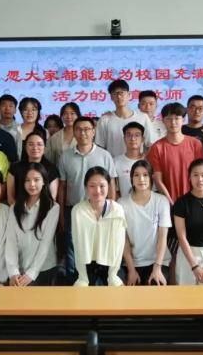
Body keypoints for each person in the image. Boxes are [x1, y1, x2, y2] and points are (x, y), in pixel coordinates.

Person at [58, 116, 117, 284]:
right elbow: (62, 187)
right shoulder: (65, 157)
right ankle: (75, 283)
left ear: (93, 131)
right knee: (73, 249)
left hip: (100, 211)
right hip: (73, 210)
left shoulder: (105, 155)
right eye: (78, 129)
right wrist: (61, 214)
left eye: (87, 129)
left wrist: (112, 209)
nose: (83, 133)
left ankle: (98, 285)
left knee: (99, 248)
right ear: (73, 132)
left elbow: (111, 184)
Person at [6, 163, 59, 286]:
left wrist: (31, 273)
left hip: (43, 268)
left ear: (44, 181)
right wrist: (13, 272)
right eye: (27, 180)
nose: (32, 184)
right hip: (20, 269)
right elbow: (11, 241)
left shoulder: (53, 208)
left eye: (36, 180)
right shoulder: (14, 208)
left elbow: (45, 243)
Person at [118, 160, 171, 285]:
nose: (141, 179)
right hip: (132, 263)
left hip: (158, 262)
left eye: (145, 175)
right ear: (131, 179)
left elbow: (162, 237)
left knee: (155, 288)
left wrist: (157, 268)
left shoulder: (161, 201)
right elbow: (124, 239)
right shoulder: (121, 203)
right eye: (136, 175)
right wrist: (131, 270)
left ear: (151, 177)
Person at [72, 166, 126, 286]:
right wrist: (83, 276)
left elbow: (119, 245)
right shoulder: (78, 210)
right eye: (92, 186)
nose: (97, 191)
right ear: (86, 187)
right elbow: (77, 244)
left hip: (112, 264)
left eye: (102, 186)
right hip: (86, 266)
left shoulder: (117, 209)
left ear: (108, 186)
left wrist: (113, 275)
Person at [146, 102, 203, 207]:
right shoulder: (156, 148)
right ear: (163, 121)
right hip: (168, 203)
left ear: (183, 120)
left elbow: (202, 174)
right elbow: (158, 180)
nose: (173, 122)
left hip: (195, 201)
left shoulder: (195, 144)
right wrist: (170, 203)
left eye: (177, 118)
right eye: (169, 119)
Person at [95, 79, 153, 158]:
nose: (119, 96)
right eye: (115, 93)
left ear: (129, 95)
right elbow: (100, 147)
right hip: (113, 164)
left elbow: (149, 145)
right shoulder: (104, 120)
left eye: (121, 93)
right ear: (111, 97)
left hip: (138, 164)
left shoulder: (143, 118)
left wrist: (143, 160)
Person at [7, 131, 59, 205]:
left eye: (39, 144)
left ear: (45, 148)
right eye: (31, 144)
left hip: (44, 210)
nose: (35, 148)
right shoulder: (15, 167)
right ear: (25, 147)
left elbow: (52, 199)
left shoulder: (52, 169)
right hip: (17, 209)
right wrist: (20, 210)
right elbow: (10, 198)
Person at [114, 122, 145, 198]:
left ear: (142, 139)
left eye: (137, 135)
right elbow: (115, 190)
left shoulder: (149, 160)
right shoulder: (116, 162)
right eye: (129, 135)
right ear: (124, 139)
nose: (133, 139)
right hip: (124, 204)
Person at [182, 95, 203, 162]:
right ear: (186, 110)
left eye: (200, 108)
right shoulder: (179, 131)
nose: (197, 111)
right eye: (193, 107)